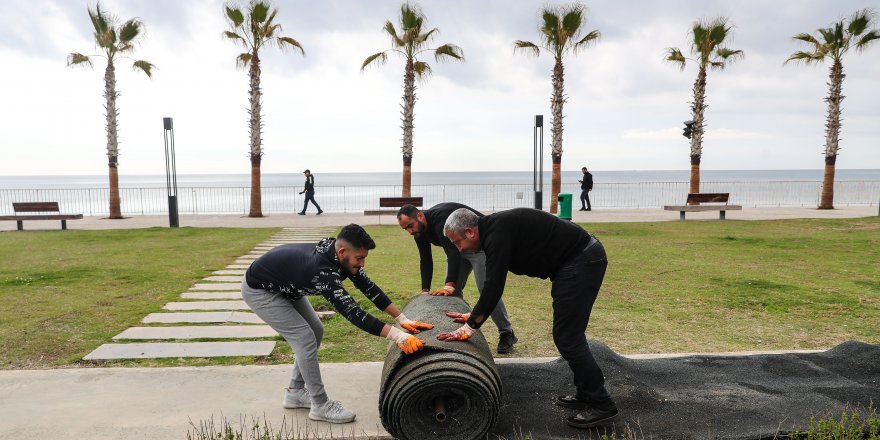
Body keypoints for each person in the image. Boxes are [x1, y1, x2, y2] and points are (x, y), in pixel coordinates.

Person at [437, 208, 617, 429]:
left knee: (568, 337)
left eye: (457, 242)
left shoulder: (496, 235)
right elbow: (492, 285)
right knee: (569, 336)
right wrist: (473, 316)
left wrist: (470, 326)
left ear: (470, 232)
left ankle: (601, 404)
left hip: (582, 260)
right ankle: (586, 393)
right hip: (576, 260)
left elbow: (493, 286)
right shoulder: (494, 230)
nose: (459, 249)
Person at [242, 224, 432, 423]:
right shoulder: (322, 272)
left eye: (363, 258)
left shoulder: (340, 256)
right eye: (359, 258)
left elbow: (369, 288)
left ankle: (295, 392)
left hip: (287, 285)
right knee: (304, 338)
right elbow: (353, 313)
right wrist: (397, 336)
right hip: (261, 291)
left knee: (316, 329)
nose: (362, 264)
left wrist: (402, 319)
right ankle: (320, 405)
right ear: (342, 252)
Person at [396, 203, 518, 354]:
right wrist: (425, 290)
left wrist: (449, 284)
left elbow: (451, 253)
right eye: (406, 228)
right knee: (452, 293)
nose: (410, 231)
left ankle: (506, 333)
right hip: (459, 248)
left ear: (420, 216)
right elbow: (426, 259)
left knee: (487, 289)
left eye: (410, 225)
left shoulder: (439, 219)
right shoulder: (419, 232)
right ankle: (455, 328)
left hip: (477, 246)